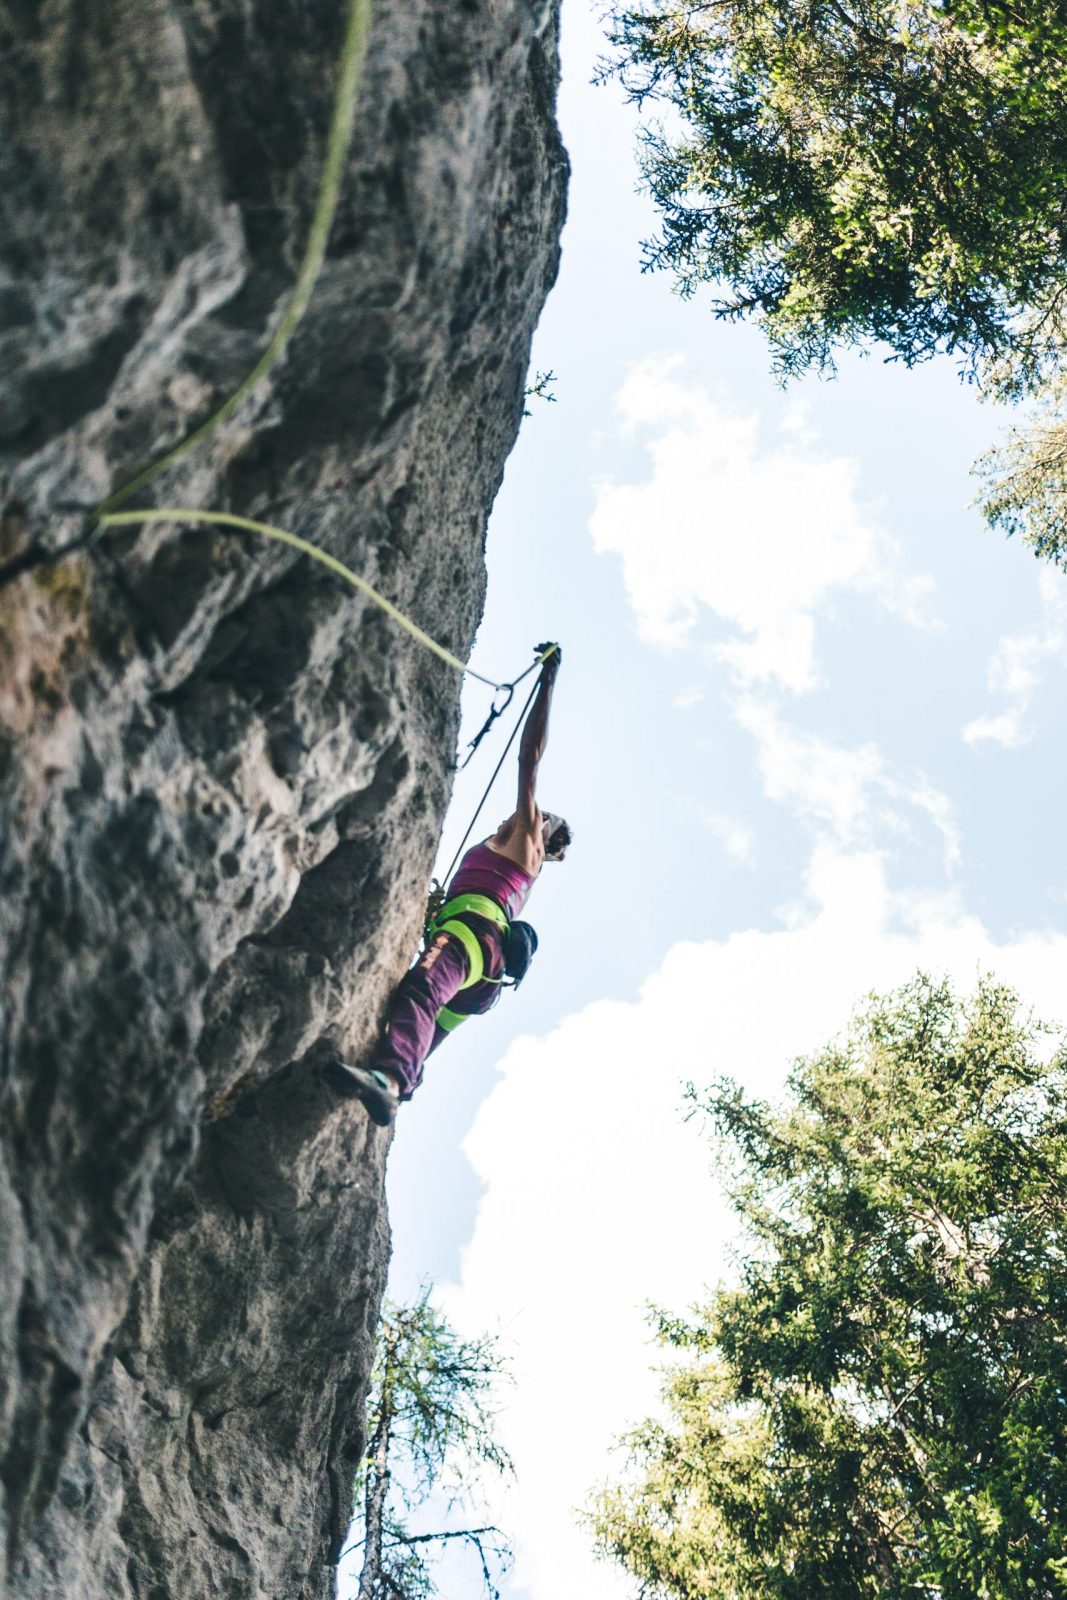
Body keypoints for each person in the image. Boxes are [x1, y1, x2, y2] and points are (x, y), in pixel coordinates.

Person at [325, 643, 569, 1125]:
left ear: (546, 839)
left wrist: (547, 682)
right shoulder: (512, 851)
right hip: (483, 973)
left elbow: (529, 759)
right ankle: (396, 1080)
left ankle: (390, 1082)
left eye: (543, 818)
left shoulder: (527, 843)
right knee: (425, 1029)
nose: (533, 813)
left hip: (471, 938)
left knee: (419, 989)